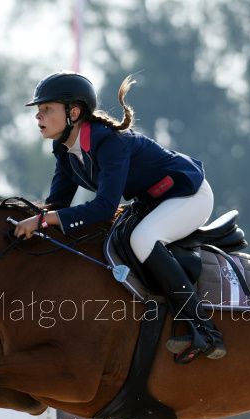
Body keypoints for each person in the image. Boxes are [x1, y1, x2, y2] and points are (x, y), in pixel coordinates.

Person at [14, 71, 225, 364]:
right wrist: (25, 219)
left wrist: (42, 220)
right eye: (38, 110)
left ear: (74, 113)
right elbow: (57, 204)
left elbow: (103, 207)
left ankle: (205, 330)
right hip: (153, 202)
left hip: (189, 194)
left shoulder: (109, 142)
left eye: (47, 109)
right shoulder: (63, 149)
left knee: (142, 239)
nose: (39, 116)